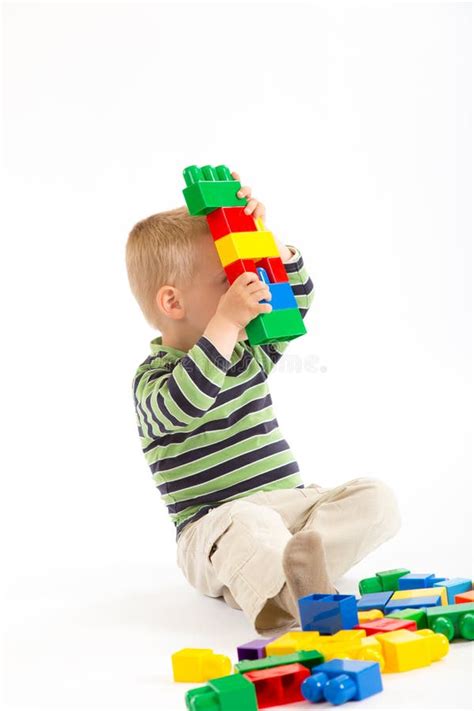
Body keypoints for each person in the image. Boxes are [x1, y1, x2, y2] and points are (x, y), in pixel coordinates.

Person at [125, 170, 401, 635]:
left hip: (290, 509)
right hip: (213, 529)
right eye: (228, 280)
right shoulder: (152, 380)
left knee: (376, 499)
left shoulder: (246, 352)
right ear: (173, 303)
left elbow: (296, 304)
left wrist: (263, 245)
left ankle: (287, 578)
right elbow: (185, 403)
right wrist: (227, 324)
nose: (247, 287)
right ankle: (283, 589)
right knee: (249, 526)